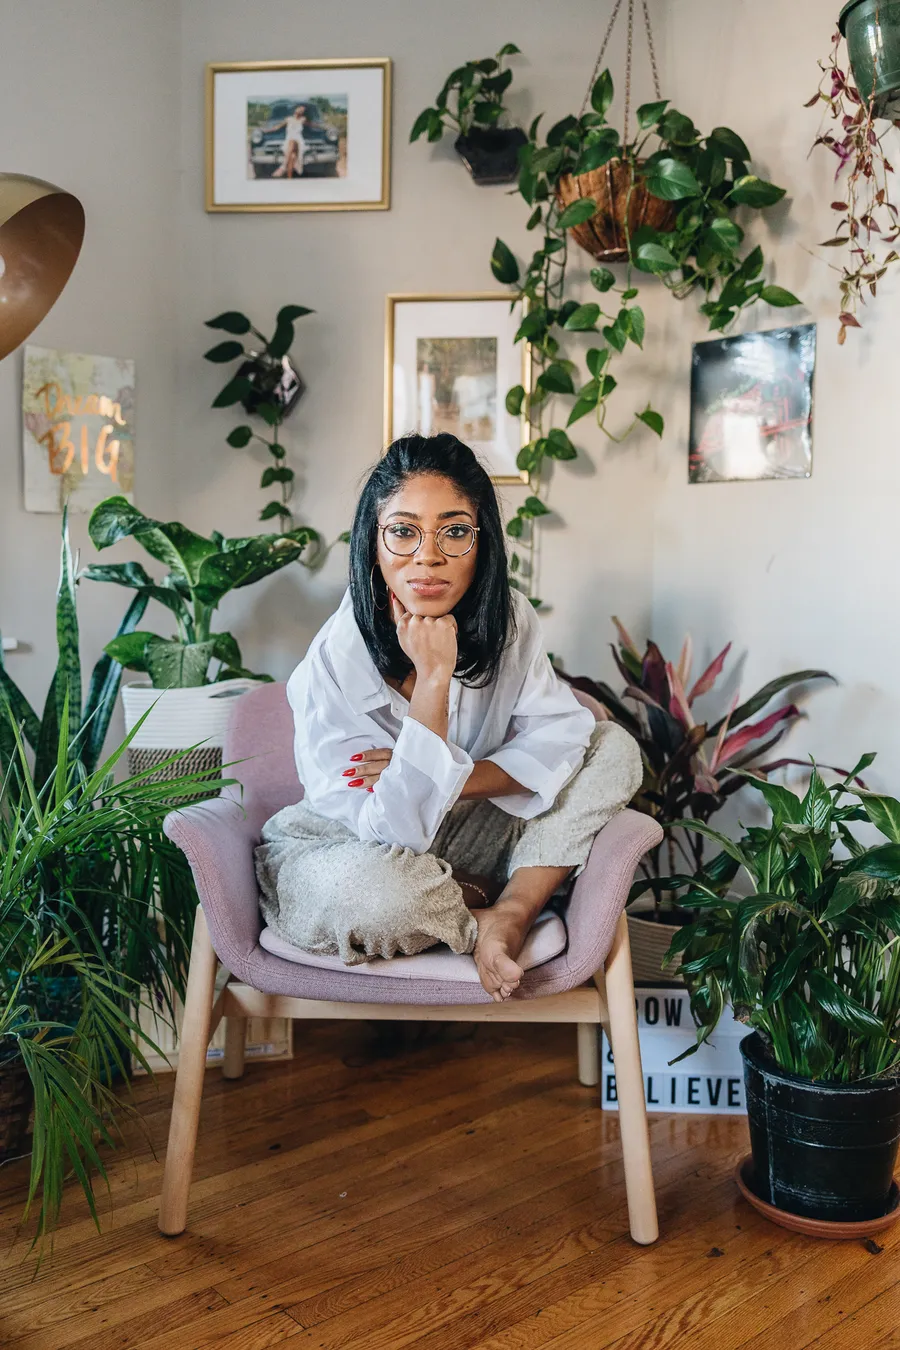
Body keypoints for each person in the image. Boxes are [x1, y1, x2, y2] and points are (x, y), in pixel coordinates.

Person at [255, 434, 642, 1002]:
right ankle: (473, 910)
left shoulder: (508, 620)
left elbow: (565, 737)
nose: (428, 556)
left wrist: (452, 774)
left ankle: (510, 908)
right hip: (347, 852)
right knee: (377, 900)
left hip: (469, 829)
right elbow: (396, 833)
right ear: (373, 543)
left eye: (454, 531)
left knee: (614, 748)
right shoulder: (332, 663)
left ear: (481, 542)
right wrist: (433, 681)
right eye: (404, 531)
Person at [271, 104, 306, 178]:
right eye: (300, 108)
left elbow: (313, 125)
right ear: (295, 109)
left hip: (298, 141)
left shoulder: (303, 119)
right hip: (288, 141)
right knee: (292, 157)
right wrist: (264, 130)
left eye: (303, 110)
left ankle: (283, 167)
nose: (301, 110)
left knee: (292, 142)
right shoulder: (288, 119)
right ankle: (289, 179)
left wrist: (326, 127)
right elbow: (277, 127)